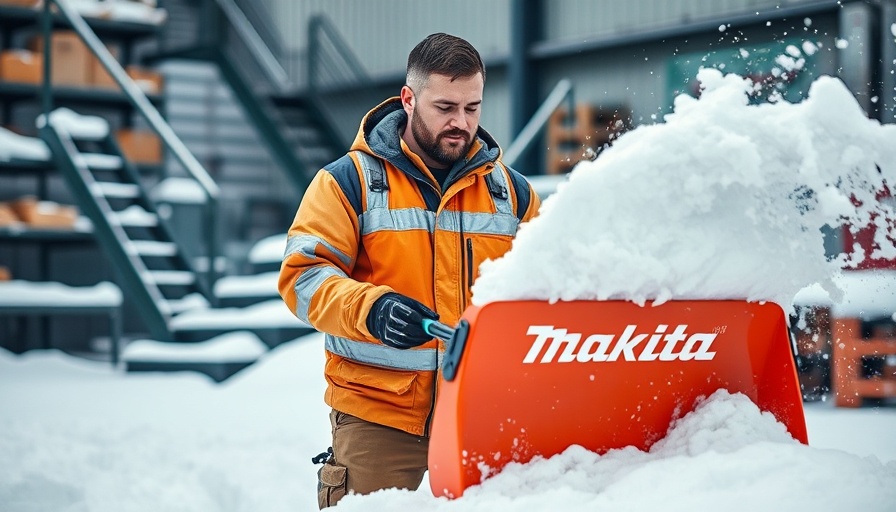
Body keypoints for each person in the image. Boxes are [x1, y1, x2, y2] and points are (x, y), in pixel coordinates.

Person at [278, 32, 541, 508]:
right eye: (445, 108)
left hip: (485, 416)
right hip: (380, 419)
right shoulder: (348, 182)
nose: (461, 123)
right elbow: (302, 278)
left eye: (473, 107)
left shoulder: (512, 192)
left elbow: (550, 287)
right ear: (409, 98)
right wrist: (372, 309)